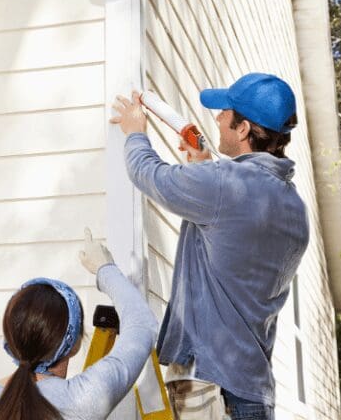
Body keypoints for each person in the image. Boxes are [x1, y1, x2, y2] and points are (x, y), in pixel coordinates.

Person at [109, 73, 311, 420]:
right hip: (254, 392)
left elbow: (147, 173)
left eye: (224, 112)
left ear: (243, 129)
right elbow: (234, 244)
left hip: (209, 386)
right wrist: (203, 166)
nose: (216, 118)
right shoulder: (294, 208)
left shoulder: (223, 185)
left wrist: (135, 132)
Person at [0, 228, 158, 420]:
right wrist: (105, 268)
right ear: (74, 343)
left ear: (11, 338)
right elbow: (142, 324)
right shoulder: (80, 399)